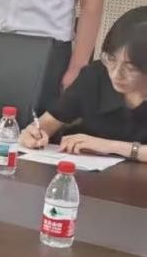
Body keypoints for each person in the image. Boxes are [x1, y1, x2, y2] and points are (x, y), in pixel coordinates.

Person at [20, 10, 147, 161]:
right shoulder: (95, 75)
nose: (116, 74)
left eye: (130, 68)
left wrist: (111, 146)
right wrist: (34, 133)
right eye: (111, 59)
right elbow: (48, 122)